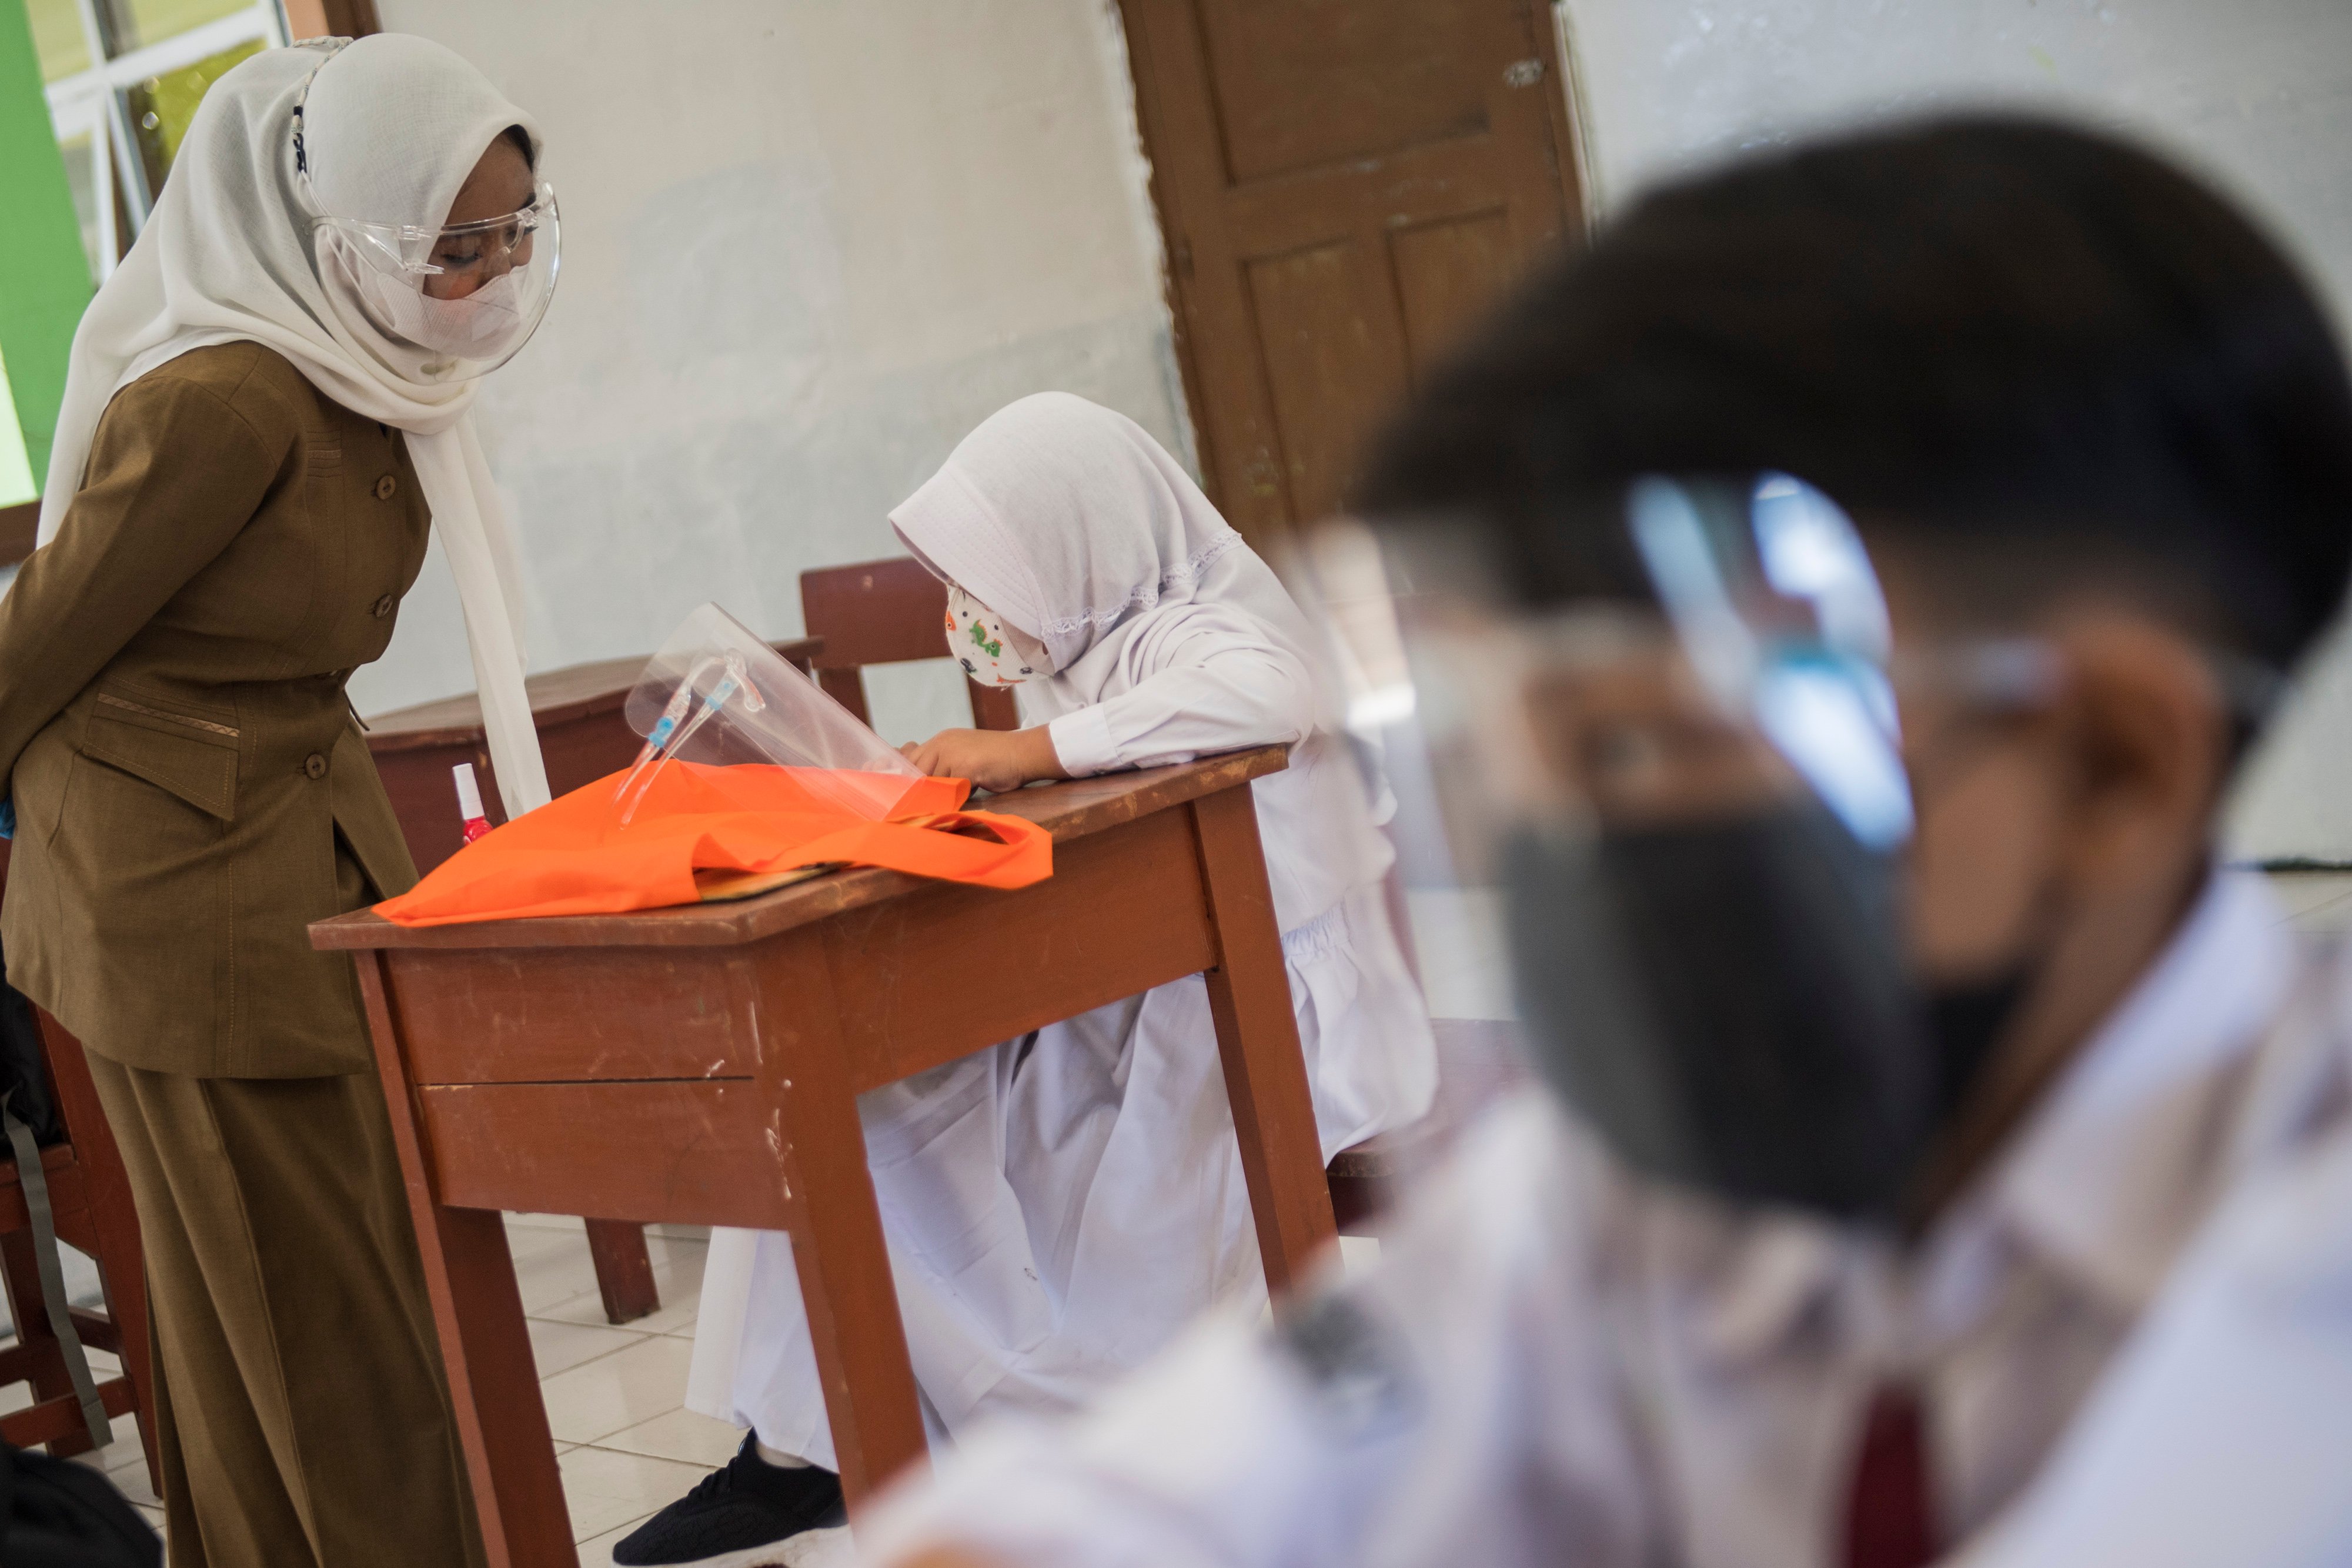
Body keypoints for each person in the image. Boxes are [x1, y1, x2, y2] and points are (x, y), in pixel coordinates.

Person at [843, 115, 2352, 1568]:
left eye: (1635, 748)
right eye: (1514, 772)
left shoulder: (2300, 1283)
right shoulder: (1646, 1183)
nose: (1575, 864)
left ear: (2105, 766)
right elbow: (1245, 1461)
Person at [616, 393, 1438, 1566]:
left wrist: (1028, 752)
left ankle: (1061, 1456)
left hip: (1261, 1005)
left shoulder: (1201, 620)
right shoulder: (1104, 641)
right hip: (1148, 977)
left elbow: (1271, 694)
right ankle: (804, 1448)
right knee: (841, 1092)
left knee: (1080, 1214)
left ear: (1079, 547)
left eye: (991, 586)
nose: (969, 620)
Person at [0, 34, 563, 1564]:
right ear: (346, 231)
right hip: (175, 906)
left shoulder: (375, 372)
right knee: (324, 1343)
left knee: (289, 1328)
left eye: (512, 232)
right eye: (456, 245)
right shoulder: (225, 403)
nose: (490, 274)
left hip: (296, 871)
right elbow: (30, 647)